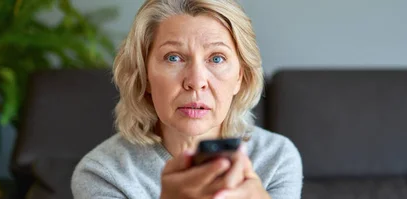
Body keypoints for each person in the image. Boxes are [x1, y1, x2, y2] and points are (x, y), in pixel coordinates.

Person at [71, 0, 303, 198]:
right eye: (174, 57)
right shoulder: (102, 173)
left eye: (217, 58)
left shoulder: (276, 158)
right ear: (145, 75)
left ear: (240, 78)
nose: (196, 81)